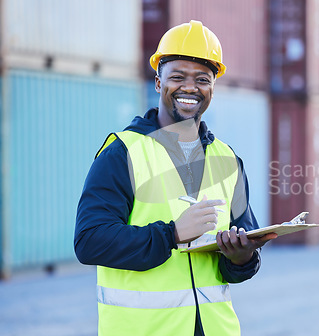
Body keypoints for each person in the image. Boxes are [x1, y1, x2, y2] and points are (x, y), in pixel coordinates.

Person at [74, 20, 276, 336]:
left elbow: (239, 259)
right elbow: (89, 242)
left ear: (213, 87)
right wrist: (172, 234)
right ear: (158, 82)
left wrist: (242, 257)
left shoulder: (228, 159)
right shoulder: (122, 152)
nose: (190, 87)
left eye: (202, 79)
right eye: (177, 77)